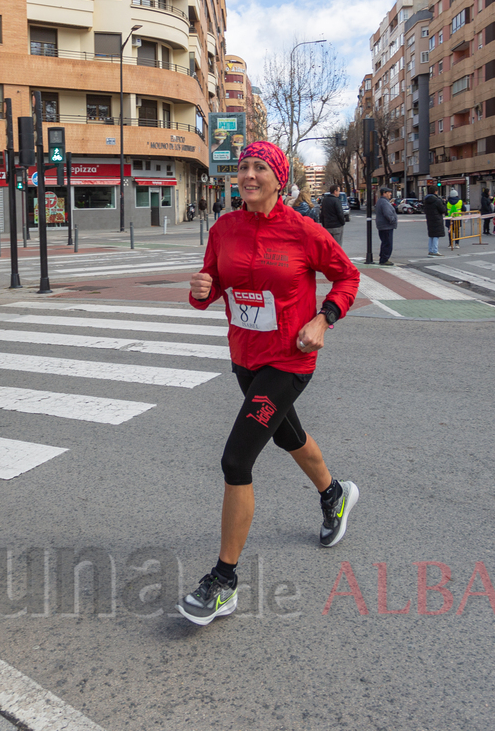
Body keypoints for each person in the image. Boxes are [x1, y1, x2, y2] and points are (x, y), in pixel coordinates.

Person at [180, 141, 361, 626]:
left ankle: (224, 581)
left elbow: (347, 278)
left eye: (260, 167)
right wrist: (202, 291)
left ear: (279, 179)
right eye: (243, 167)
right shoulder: (224, 228)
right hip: (245, 358)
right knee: (287, 435)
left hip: (289, 361)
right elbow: (214, 283)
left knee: (237, 458)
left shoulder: (304, 230)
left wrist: (323, 320)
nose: (249, 174)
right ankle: (334, 495)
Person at [374, 186, 398, 266]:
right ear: (384, 193)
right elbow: (388, 214)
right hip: (386, 226)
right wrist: (393, 220)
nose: (390, 194)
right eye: (389, 192)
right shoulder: (384, 202)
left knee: (385, 242)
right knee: (387, 243)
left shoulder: (381, 201)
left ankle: (383, 258)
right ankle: (384, 259)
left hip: (383, 226)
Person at [424, 190, 447, 256]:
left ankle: (430, 250)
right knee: (436, 236)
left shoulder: (426, 200)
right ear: (436, 191)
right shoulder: (437, 200)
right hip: (437, 219)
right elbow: (443, 209)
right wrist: (444, 203)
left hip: (429, 219)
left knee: (431, 235)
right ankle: (435, 251)